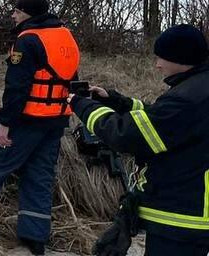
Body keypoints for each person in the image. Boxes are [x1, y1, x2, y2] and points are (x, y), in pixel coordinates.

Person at [0, 0, 79, 256]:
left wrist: (5, 124)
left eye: (17, 11)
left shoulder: (27, 40)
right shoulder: (65, 36)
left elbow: (17, 87)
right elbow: (73, 79)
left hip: (28, 119)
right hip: (56, 120)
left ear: (28, 14)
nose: (13, 15)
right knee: (39, 175)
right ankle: (35, 237)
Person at [68, 24, 209, 256]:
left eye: (161, 58)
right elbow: (162, 120)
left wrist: (82, 105)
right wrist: (116, 101)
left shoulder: (187, 98)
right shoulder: (198, 89)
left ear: (181, 58)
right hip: (190, 213)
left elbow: (125, 135)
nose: (157, 65)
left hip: (181, 218)